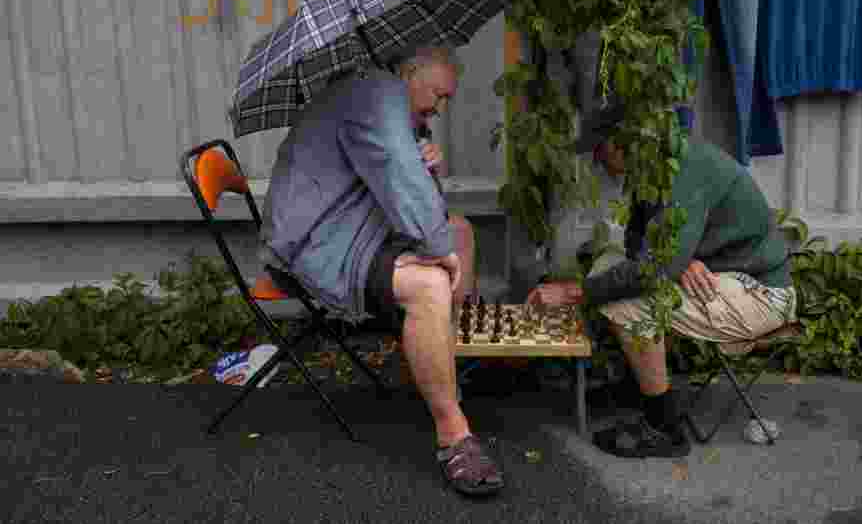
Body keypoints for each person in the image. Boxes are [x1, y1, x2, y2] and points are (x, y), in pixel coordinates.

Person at [260, 45, 503, 496]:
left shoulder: (387, 101)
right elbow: (398, 176)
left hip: (353, 226)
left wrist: (427, 168)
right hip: (318, 243)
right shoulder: (373, 94)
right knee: (430, 282)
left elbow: (413, 191)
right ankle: (454, 436)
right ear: (410, 73)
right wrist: (436, 249)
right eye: (439, 94)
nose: (440, 107)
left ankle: (447, 363)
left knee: (462, 232)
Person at [526, 102, 798, 459]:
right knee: (611, 264)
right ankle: (638, 386)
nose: (598, 161)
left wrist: (573, 292)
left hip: (760, 292)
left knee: (625, 302)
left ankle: (663, 427)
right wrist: (681, 262)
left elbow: (654, 268)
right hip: (722, 275)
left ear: (621, 143)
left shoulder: (684, 169)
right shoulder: (654, 167)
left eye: (599, 150)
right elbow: (636, 244)